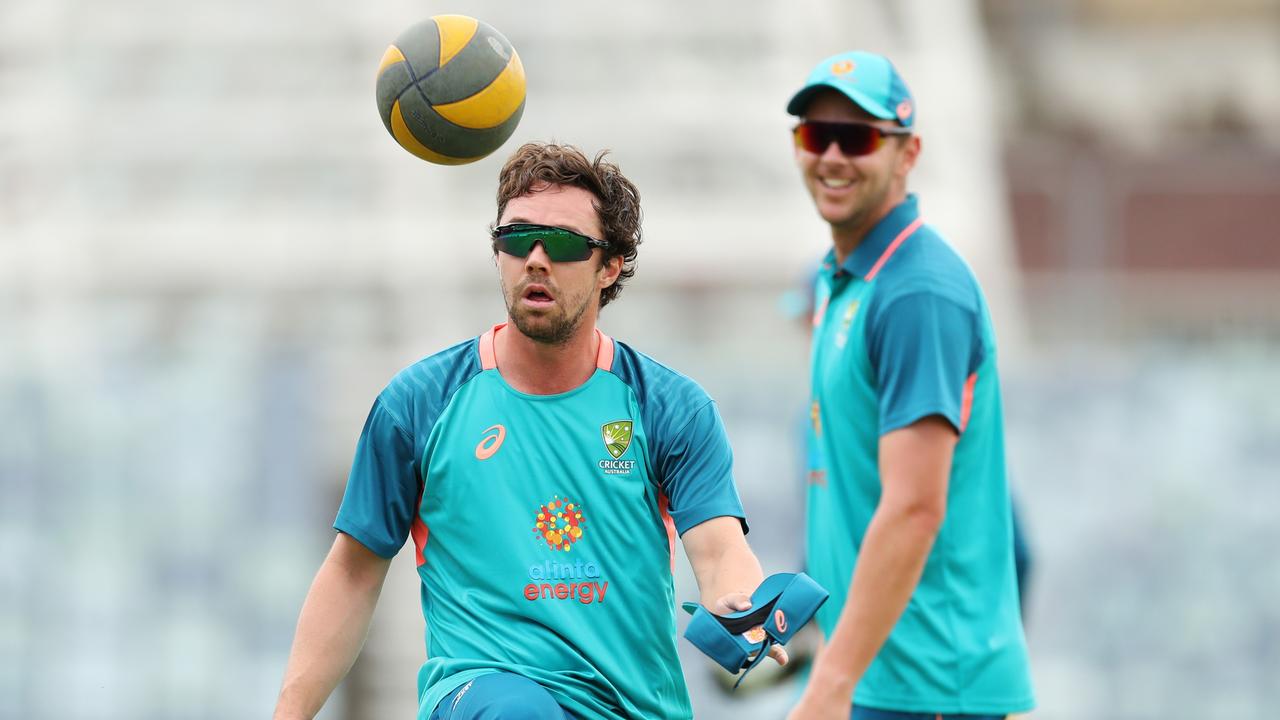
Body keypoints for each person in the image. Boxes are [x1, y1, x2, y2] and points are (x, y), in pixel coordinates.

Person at [272, 142, 784, 720]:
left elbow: (718, 551)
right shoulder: (416, 405)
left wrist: (738, 606)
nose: (536, 258)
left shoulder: (669, 407)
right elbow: (352, 570)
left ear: (609, 264)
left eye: (563, 243)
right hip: (480, 695)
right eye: (517, 238)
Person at [781, 52, 1035, 720]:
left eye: (858, 137)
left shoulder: (916, 291)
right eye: (815, 134)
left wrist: (831, 682)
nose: (832, 156)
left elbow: (915, 507)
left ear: (907, 152)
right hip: (884, 677)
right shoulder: (846, 281)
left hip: (925, 687)